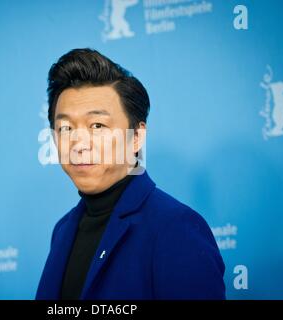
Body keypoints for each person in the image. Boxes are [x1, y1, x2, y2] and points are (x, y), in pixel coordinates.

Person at [36, 48, 225, 300]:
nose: (78, 143)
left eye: (97, 126)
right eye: (65, 127)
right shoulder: (62, 231)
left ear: (136, 137)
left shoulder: (174, 228)